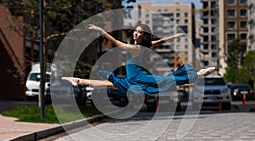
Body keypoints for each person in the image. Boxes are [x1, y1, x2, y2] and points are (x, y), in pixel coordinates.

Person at [62, 24, 215, 96]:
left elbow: (116, 43)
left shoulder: (136, 48)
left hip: (139, 77)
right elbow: (159, 42)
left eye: (139, 32)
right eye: (135, 30)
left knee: (168, 80)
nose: (135, 33)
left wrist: (101, 31)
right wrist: (173, 37)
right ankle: (78, 80)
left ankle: (199, 73)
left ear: (144, 35)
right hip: (132, 79)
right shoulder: (145, 45)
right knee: (108, 84)